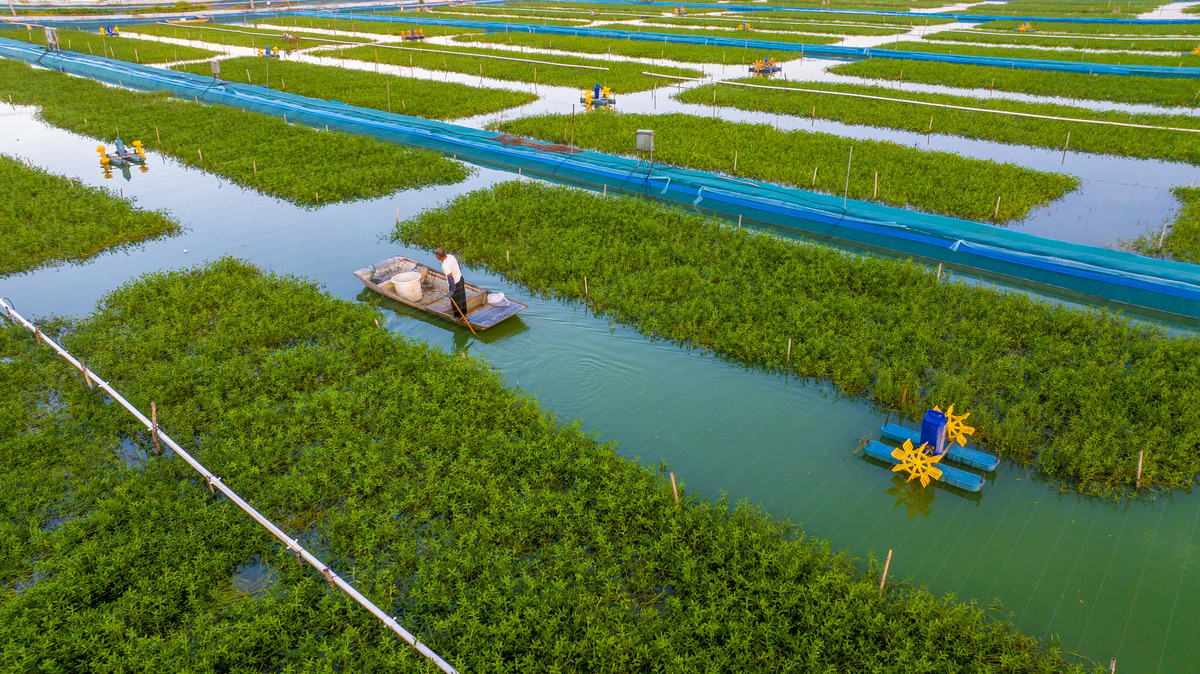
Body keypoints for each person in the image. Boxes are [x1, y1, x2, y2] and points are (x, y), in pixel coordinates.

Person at [435, 248, 467, 319]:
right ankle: (464, 313)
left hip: (455, 284)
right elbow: (458, 265)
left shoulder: (445, 265)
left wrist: (451, 291)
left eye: (436, 255)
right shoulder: (450, 256)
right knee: (462, 298)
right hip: (460, 279)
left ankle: (458, 317)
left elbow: (450, 278)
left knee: (455, 302)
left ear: (438, 256)